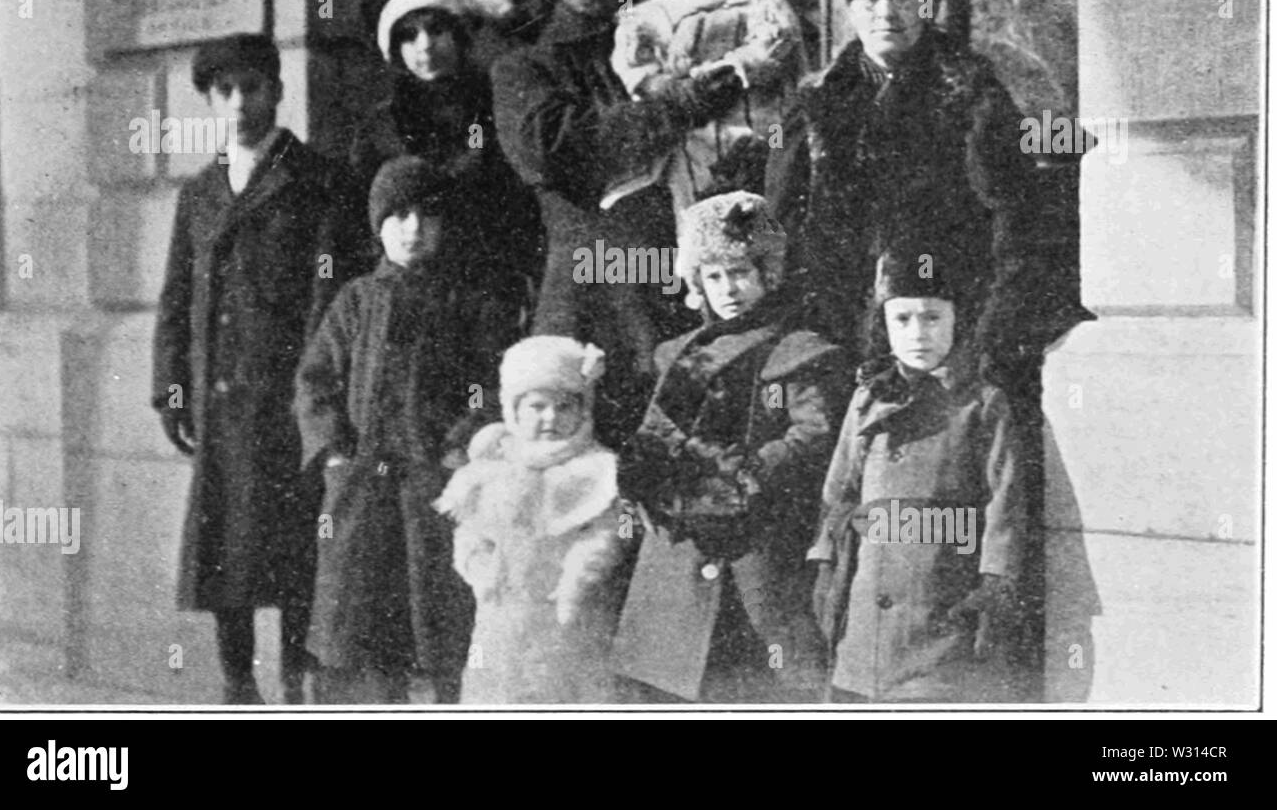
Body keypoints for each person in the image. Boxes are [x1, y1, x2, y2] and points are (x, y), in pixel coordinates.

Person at [765, 0, 1087, 376]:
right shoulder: (815, 103)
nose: (885, 11)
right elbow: (783, 226)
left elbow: (1015, 224)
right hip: (838, 340)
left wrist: (984, 337)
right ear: (848, 4)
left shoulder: (972, 91)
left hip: (944, 335)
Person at [491, 0, 746, 448]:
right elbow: (557, 150)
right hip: (590, 295)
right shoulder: (528, 68)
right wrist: (677, 106)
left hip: (673, 289)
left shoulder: (670, 46)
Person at [151, 33, 357, 704]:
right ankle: (238, 684)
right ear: (212, 100)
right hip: (218, 401)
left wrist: (317, 395)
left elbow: (329, 297)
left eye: (252, 88)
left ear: (277, 92)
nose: (239, 104)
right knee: (224, 548)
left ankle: (299, 682)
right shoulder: (201, 191)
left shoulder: (318, 180)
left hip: (289, 402)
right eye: (225, 91)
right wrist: (171, 391)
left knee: (297, 548)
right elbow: (177, 298)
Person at [293, 157, 518, 704]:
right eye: (398, 216)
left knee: (439, 620)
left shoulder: (466, 302)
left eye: (427, 215)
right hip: (362, 487)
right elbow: (315, 380)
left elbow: (488, 385)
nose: (414, 228)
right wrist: (332, 453)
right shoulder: (354, 302)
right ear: (378, 226)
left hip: (432, 487)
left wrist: (461, 446)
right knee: (362, 621)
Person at [611, 192, 848, 703]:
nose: (729, 289)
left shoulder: (797, 348)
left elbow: (813, 432)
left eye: (740, 272)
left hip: (757, 545)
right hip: (680, 550)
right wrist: (650, 484)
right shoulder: (683, 356)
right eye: (713, 277)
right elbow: (656, 440)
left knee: (756, 682)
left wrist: (748, 474)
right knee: (672, 682)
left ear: (766, 273)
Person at [808, 246, 1027, 703]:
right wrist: (826, 565)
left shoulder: (981, 403)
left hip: (939, 611)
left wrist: (994, 584)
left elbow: (1004, 503)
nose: (918, 334)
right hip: (865, 621)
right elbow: (840, 491)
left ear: (956, 320)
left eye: (932, 318)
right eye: (902, 319)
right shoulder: (868, 399)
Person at [435, 336, 623, 704]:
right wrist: (481, 571)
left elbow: (605, 534)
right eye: (537, 407)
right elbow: (470, 535)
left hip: (572, 613)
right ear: (514, 411)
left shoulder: (595, 468)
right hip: (504, 610)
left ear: (583, 412)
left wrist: (578, 579)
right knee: (500, 690)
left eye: (564, 407)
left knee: (569, 689)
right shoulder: (493, 469)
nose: (550, 417)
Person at [348, 0, 542, 308]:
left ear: (459, 36)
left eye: (436, 30)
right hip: (406, 290)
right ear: (394, 49)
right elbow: (362, 219)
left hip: (487, 287)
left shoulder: (497, 105)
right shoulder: (380, 127)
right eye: (408, 36)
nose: (424, 46)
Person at [613, 0, 806, 221]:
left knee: (757, 211)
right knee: (697, 220)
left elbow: (774, 44)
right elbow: (633, 60)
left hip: (753, 128)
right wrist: (658, 83)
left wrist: (733, 68)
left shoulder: (757, 1)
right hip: (691, 138)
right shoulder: (661, 14)